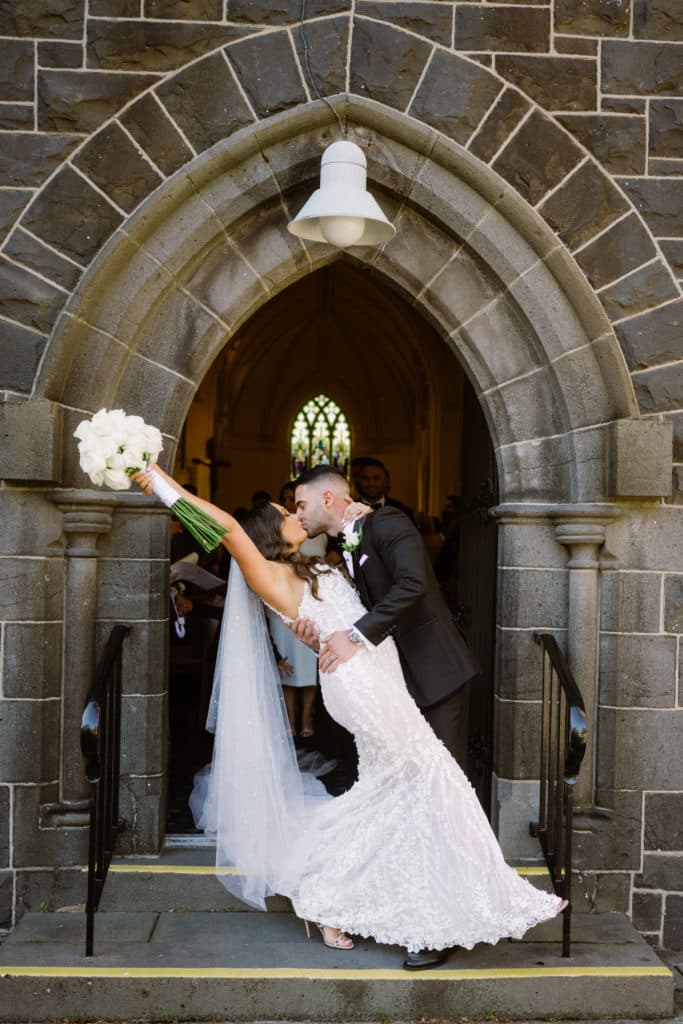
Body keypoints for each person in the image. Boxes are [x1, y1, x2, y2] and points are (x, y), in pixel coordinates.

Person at [133, 465, 567, 969]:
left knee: (389, 788)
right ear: (267, 533)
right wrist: (157, 480)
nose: (294, 513)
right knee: (433, 775)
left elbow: (355, 604)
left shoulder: (312, 566)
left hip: (380, 672)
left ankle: (328, 892)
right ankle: (485, 897)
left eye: (298, 505)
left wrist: (353, 520)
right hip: (359, 683)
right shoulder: (265, 572)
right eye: (285, 512)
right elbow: (227, 526)